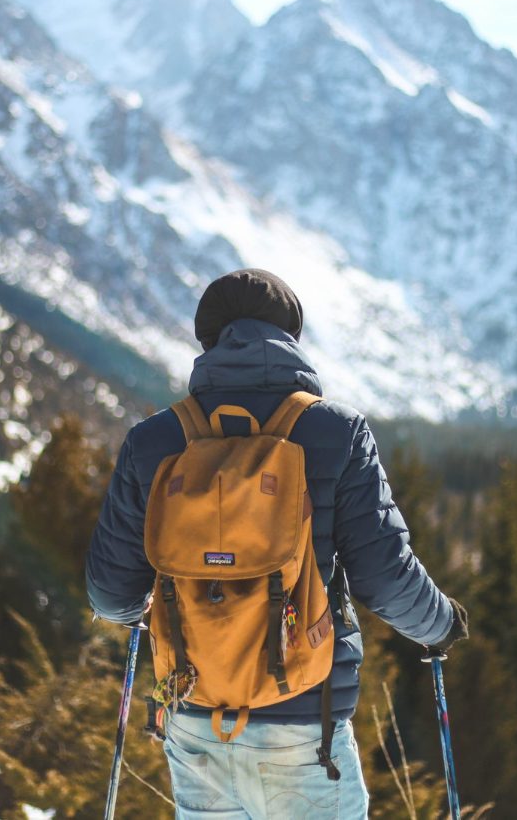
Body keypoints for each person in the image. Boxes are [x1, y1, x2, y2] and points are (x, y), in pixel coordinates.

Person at [86, 268, 468, 819]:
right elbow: (384, 577)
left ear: (208, 340)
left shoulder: (154, 441)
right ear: (290, 337)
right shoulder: (337, 432)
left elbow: (110, 594)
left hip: (195, 717)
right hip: (303, 724)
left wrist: (147, 609)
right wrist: (440, 625)